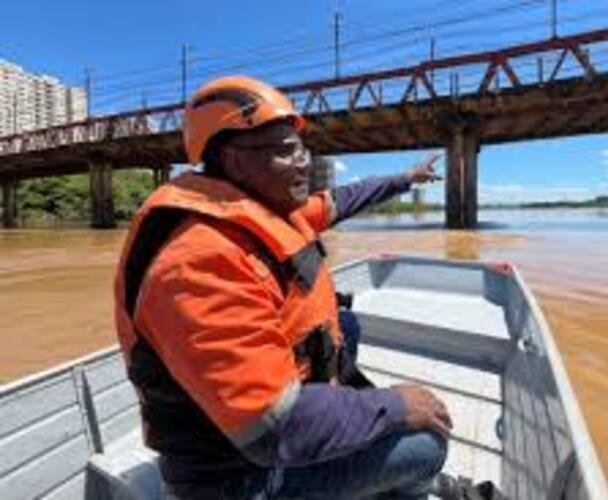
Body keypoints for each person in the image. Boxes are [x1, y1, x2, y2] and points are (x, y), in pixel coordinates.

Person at [114, 75, 452, 499]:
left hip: (259, 440)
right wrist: (396, 405)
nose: (304, 162)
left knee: (345, 325)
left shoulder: (264, 207)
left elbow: (345, 198)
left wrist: (406, 178)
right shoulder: (197, 262)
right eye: (288, 150)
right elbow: (276, 426)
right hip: (237, 478)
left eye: (303, 149)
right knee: (427, 445)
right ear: (236, 161)